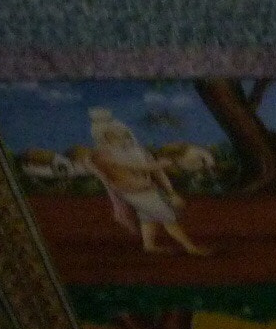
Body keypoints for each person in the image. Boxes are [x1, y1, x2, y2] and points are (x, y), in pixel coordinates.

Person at [82, 108, 209, 255]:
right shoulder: (100, 155)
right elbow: (133, 167)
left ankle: (149, 246)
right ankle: (191, 248)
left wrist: (170, 191)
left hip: (147, 189)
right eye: (115, 136)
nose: (123, 138)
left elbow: (158, 172)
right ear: (104, 137)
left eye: (124, 134)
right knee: (168, 217)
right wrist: (159, 164)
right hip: (131, 192)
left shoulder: (138, 151)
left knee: (148, 217)